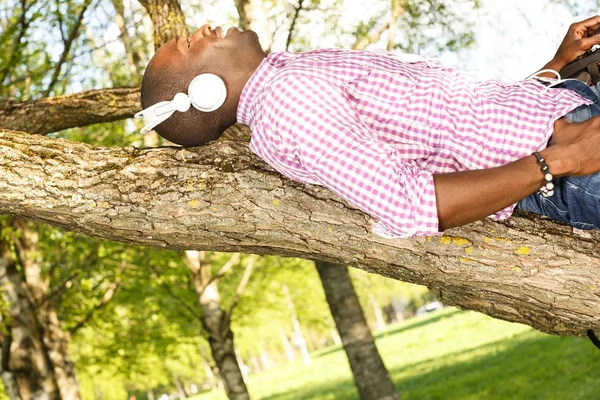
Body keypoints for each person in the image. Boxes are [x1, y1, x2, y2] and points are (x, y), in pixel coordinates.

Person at [136, 17, 600, 238]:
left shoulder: (291, 76)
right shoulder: (288, 105)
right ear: (205, 91)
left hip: (565, 110)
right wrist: (558, 161)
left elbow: (463, 123)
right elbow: (408, 204)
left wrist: (556, 66)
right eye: (191, 43)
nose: (206, 26)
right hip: (574, 164)